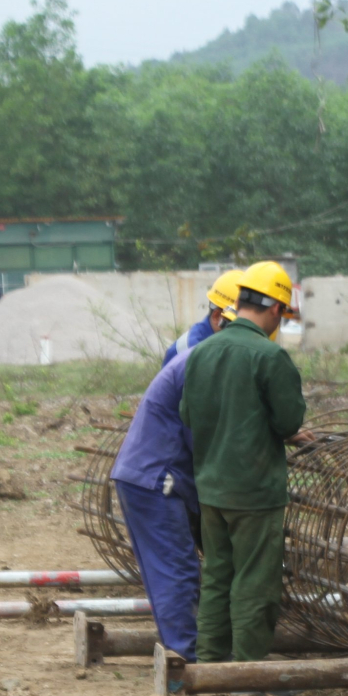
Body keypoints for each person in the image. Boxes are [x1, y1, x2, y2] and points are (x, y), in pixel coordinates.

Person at [107, 270, 246, 660]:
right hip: (158, 478)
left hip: (157, 474)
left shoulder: (214, 353)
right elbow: (203, 437)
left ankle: (197, 648)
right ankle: (186, 662)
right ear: (220, 318)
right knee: (177, 570)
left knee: (178, 567)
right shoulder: (198, 357)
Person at [179, 260, 312, 665]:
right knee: (256, 580)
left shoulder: (201, 353)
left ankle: (211, 661)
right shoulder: (269, 357)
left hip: (211, 489)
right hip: (254, 492)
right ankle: (249, 671)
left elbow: (187, 414)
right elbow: (289, 421)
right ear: (275, 310)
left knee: (219, 575)